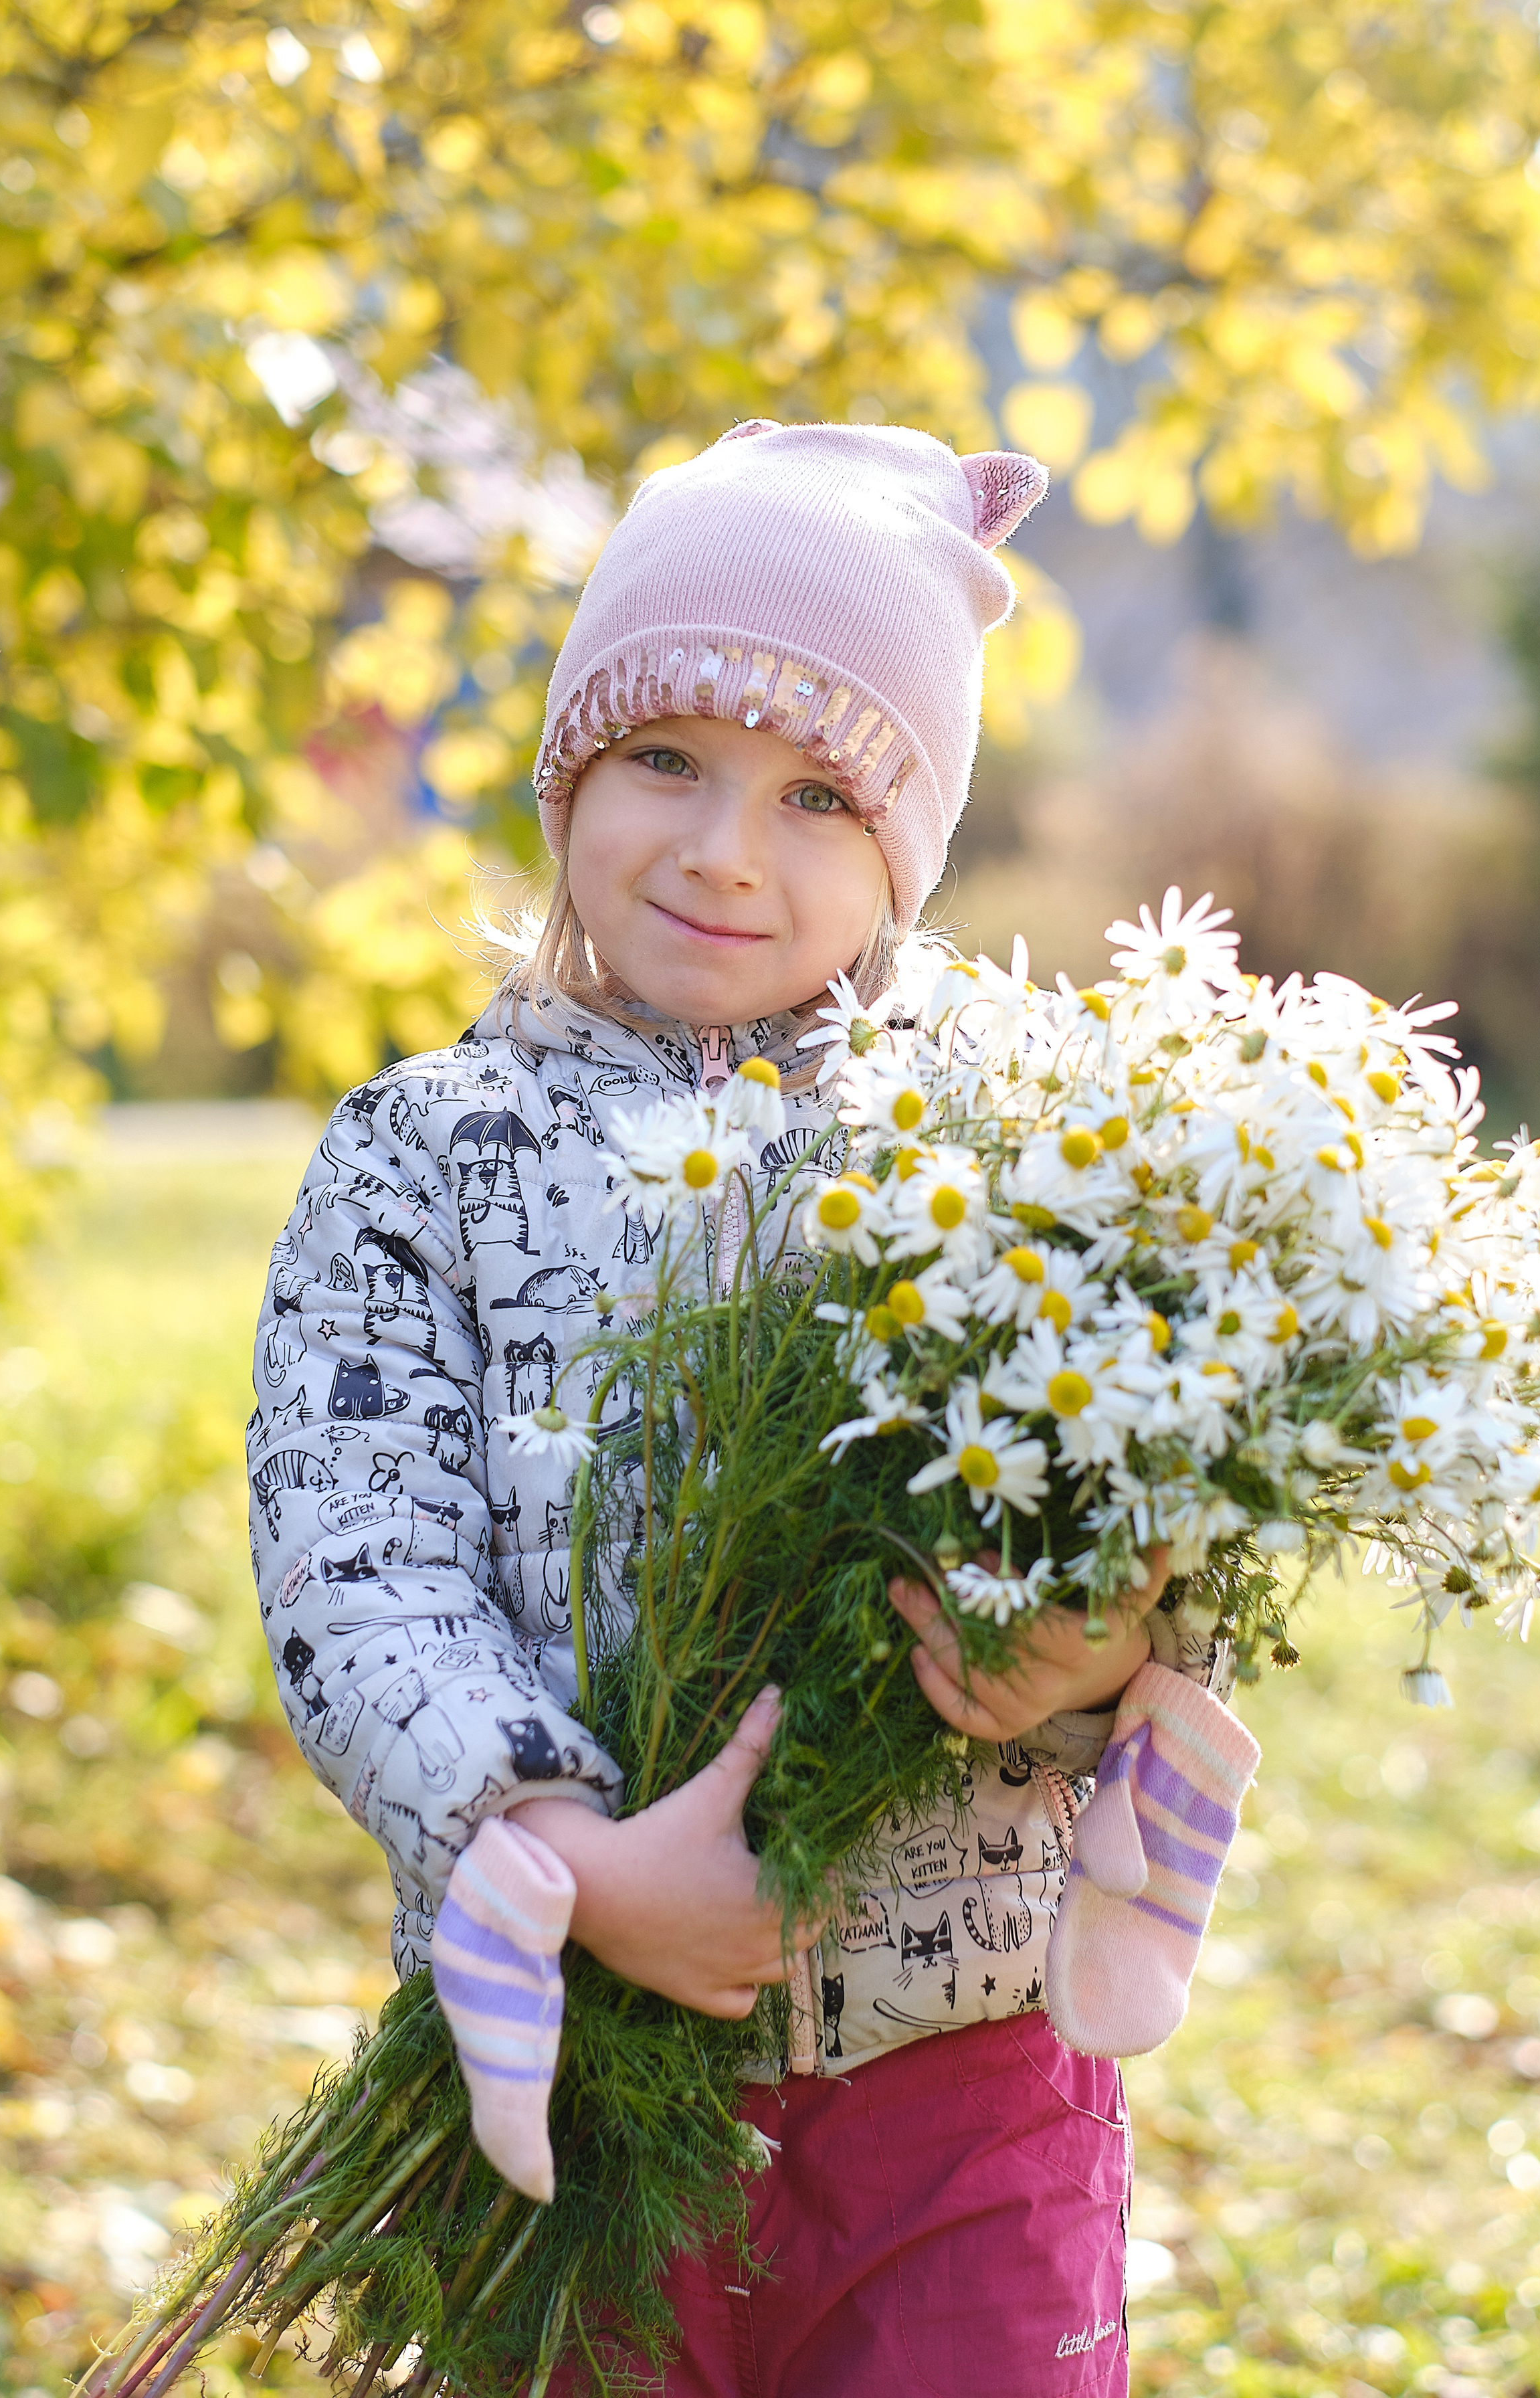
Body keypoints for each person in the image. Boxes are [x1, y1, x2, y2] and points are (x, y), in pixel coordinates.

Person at [248, 421, 1248, 2396]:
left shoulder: (1008, 1147)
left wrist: (1100, 1648)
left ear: (905, 852)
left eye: (815, 796)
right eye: (664, 759)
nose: (724, 848)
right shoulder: (419, 1156)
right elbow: (359, 1567)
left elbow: (1151, 1469)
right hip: (568, 2068)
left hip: (964, 2081)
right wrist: (568, 1852)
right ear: (568, 775)